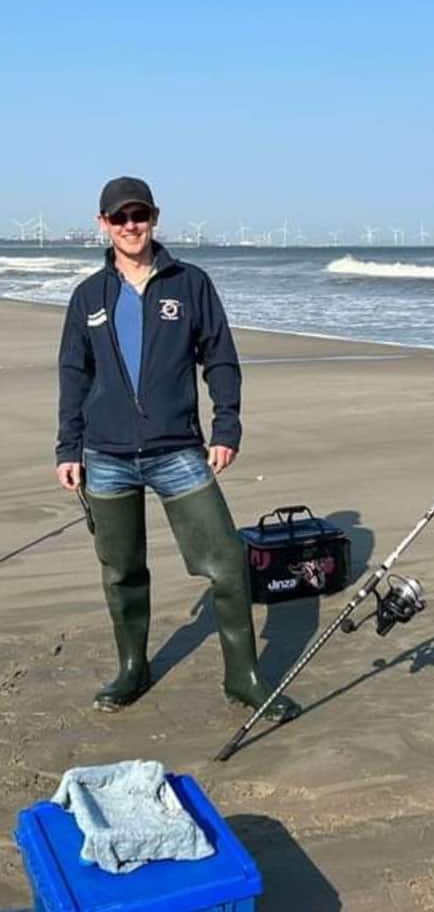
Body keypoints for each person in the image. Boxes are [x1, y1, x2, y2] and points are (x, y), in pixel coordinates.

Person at [55, 175, 299, 721]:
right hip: (106, 457)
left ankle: (244, 677)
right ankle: (132, 668)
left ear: (154, 218)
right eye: (119, 218)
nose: (130, 226)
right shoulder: (88, 297)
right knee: (121, 570)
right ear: (104, 225)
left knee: (228, 564)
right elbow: (74, 374)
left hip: (178, 452)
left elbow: (221, 358)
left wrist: (227, 428)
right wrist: (67, 448)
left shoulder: (190, 284)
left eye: (139, 215)